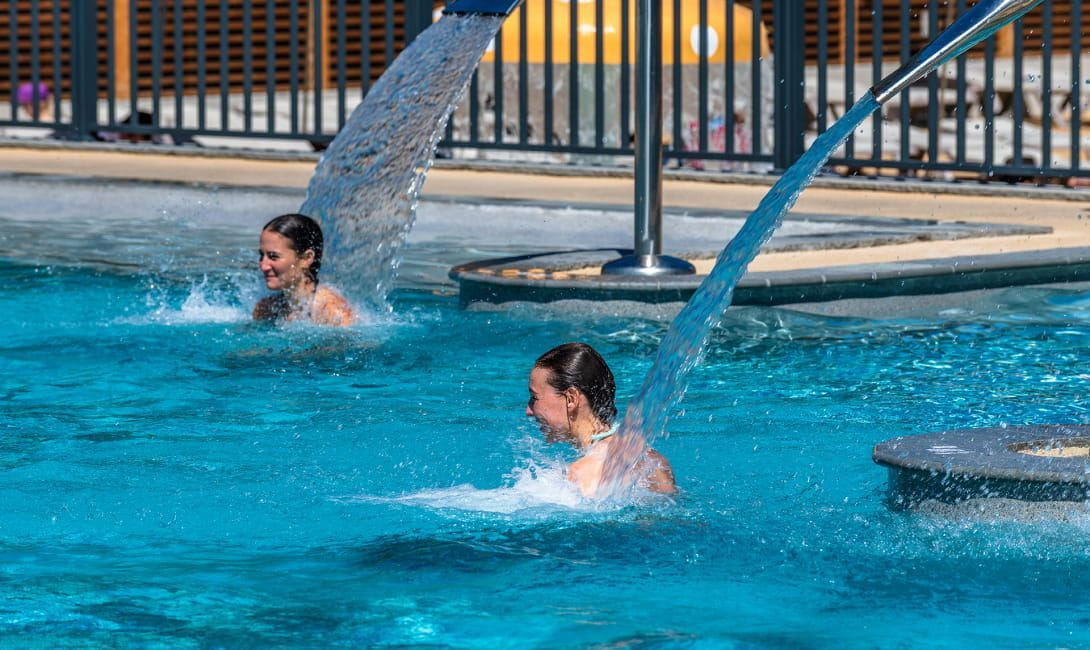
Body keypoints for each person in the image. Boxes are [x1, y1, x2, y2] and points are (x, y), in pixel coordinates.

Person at [526, 342, 675, 497]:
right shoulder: (653, 460)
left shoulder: (580, 476)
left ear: (571, 399)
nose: (528, 411)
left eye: (534, 397)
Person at [253, 213, 354, 326]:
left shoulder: (332, 311)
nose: (263, 266)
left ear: (306, 258)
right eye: (262, 255)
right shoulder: (266, 309)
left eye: (273, 256)